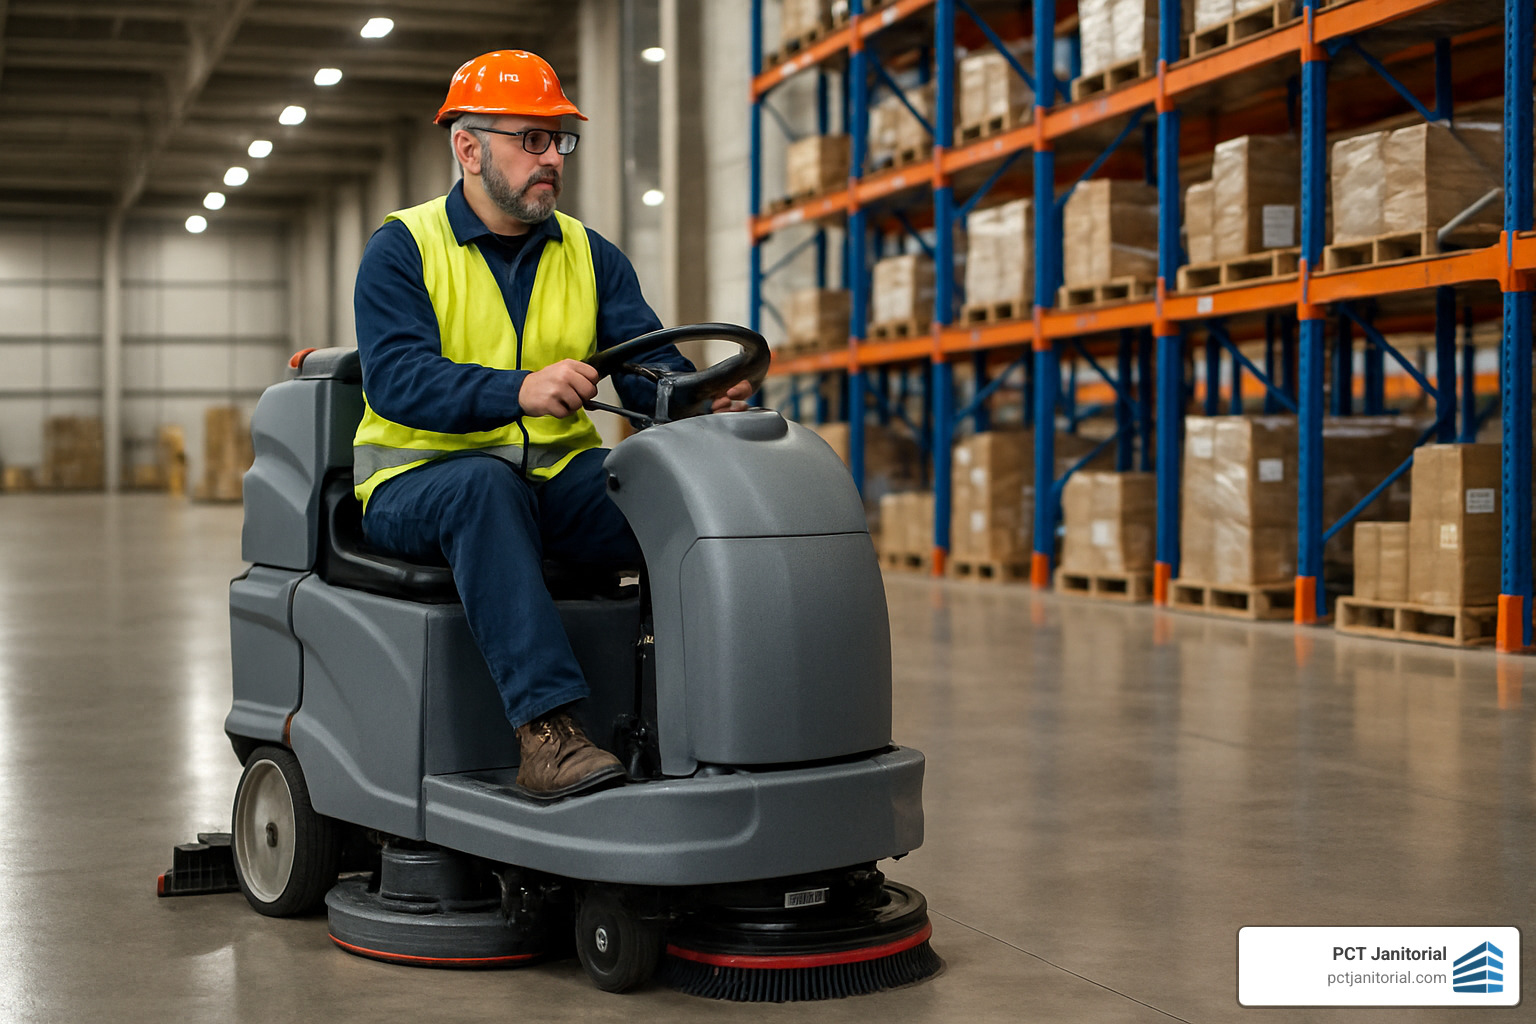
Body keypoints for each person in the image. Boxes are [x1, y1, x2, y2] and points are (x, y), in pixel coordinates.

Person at [351, 50, 751, 799]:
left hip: (554, 482)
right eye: (531, 139)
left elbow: (649, 367)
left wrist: (701, 397)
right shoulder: (403, 249)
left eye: (558, 141)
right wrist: (518, 390)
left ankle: (705, 711)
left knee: (675, 510)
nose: (551, 159)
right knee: (482, 490)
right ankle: (548, 733)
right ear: (468, 149)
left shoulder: (588, 253)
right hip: (416, 485)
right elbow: (398, 379)